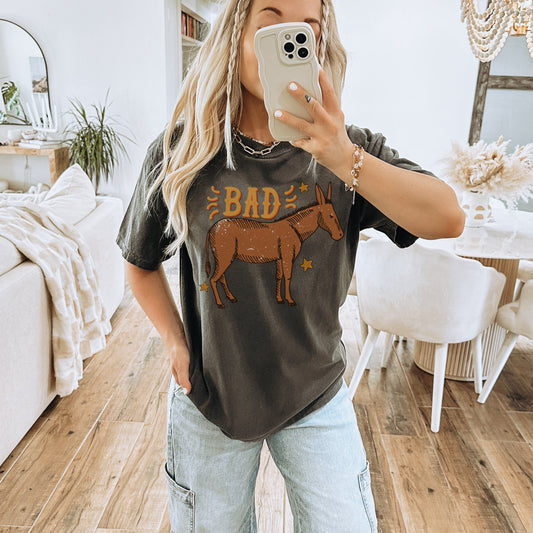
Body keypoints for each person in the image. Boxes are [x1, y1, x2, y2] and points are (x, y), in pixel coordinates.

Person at [116, 0, 465, 531]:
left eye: (307, 30)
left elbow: (448, 217)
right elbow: (139, 261)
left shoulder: (349, 153)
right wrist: (174, 340)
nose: (288, 39)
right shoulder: (183, 150)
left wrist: (343, 157)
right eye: (271, 20)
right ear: (236, 34)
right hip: (211, 393)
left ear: (319, 48)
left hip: (314, 393)